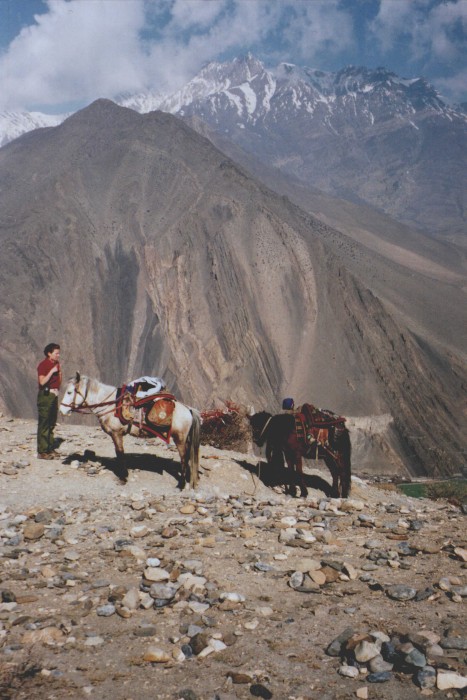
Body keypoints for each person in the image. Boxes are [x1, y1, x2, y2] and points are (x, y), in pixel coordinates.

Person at [37, 342, 62, 459]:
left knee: (51, 423)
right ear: (49, 353)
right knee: (44, 423)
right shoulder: (43, 365)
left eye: (58, 353)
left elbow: (59, 379)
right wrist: (52, 371)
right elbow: (42, 382)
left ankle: (50, 448)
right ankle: (42, 451)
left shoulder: (56, 364)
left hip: (54, 395)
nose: (58, 355)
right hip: (46, 396)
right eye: (56, 353)